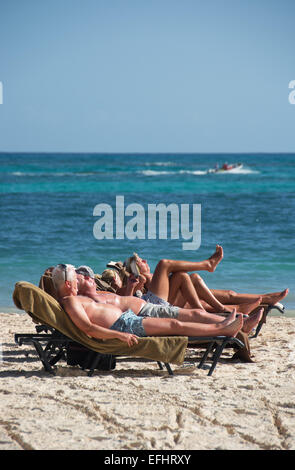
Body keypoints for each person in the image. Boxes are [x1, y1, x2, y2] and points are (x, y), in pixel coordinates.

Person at [51, 263, 251, 347]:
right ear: (68, 284)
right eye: (77, 281)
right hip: (124, 326)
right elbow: (87, 327)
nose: (79, 283)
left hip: (128, 319)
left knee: (178, 323)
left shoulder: (72, 299)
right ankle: (222, 328)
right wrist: (119, 335)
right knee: (175, 326)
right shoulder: (70, 300)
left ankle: (224, 326)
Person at [123, 250, 288, 313]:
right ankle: (207, 265)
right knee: (164, 263)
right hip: (160, 307)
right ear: (134, 268)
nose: (144, 260)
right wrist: (135, 283)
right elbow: (127, 298)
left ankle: (266, 299)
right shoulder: (141, 279)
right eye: (140, 261)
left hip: (177, 300)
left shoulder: (158, 279)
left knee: (228, 293)